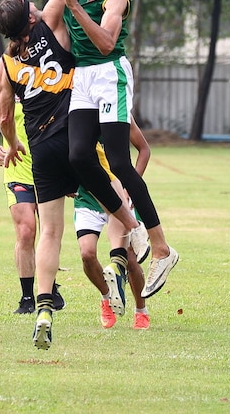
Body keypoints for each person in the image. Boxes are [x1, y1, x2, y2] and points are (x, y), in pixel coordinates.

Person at [0, 0, 178, 299]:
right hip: (84, 79)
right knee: (79, 156)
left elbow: (107, 42)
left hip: (109, 71)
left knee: (118, 158)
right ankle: (132, 229)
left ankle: (162, 246)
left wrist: (75, 4)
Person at [0, 0, 140, 350]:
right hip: (77, 138)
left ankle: (42, 307)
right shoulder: (50, 27)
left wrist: (12, 142)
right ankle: (141, 244)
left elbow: (1, 116)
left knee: (49, 233)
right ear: (31, 16)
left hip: (39, 151)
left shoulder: (7, 61)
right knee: (117, 200)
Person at [0, 94, 65, 314]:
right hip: (17, 171)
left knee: (50, 232)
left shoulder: (51, 85)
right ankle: (27, 297)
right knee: (26, 231)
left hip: (49, 172)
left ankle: (49, 286)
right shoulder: (7, 92)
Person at [75, 120, 152, 330]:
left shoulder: (119, 111)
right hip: (88, 198)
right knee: (87, 254)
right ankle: (107, 297)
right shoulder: (74, 114)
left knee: (130, 259)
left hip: (119, 197)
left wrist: (131, 185)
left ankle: (141, 310)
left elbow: (144, 150)